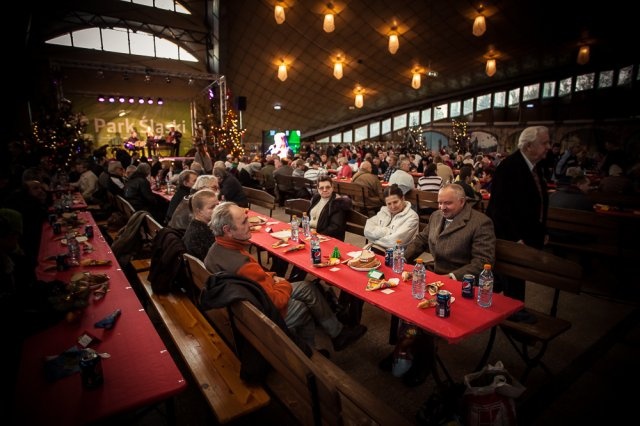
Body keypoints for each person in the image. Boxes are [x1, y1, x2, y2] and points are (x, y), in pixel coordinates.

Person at [204, 202, 367, 352]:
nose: (250, 224)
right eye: (244, 222)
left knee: (307, 287)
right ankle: (308, 353)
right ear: (227, 230)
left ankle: (337, 333)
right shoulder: (242, 265)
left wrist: (272, 277)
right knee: (301, 306)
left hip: (251, 302)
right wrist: (283, 283)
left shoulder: (215, 250)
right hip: (263, 315)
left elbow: (258, 278)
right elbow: (277, 301)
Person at [389, 183, 496, 387]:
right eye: (439, 203)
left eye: (448, 203)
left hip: (462, 282)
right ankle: (402, 348)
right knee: (401, 298)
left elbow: (482, 261)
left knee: (425, 311)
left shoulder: (480, 223)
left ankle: (423, 362)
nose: (442, 207)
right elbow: (420, 240)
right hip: (437, 274)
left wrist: (451, 277)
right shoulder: (436, 216)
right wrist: (401, 259)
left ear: (462, 202)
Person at [487, 125, 550, 320]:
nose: (548, 147)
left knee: (508, 276)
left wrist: (542, 229)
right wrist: (515, 238)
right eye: (544, 143)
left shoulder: (534, 166)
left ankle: (491, 299)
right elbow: (499, 209)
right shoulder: (509, 167)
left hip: (527, 233)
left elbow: (537, 201)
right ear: (529, 146)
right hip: (512, 236)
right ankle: (514, 312)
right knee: (513, 275)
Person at [364, 184, 419, 254]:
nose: (393, 207)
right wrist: (388, 231)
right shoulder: (384, 211)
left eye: (395, 202)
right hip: (376, 249)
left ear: (403, 199)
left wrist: (374, 240)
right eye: (389, 204)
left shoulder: (412, 217)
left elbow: (395, 242)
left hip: (397, 255)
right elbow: (367, 230)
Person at [182, 189, 219, 261]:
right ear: (199, 211)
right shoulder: (201, 233)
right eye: (212, 207)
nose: (217, 209)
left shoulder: (199, 225)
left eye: (218, 205)